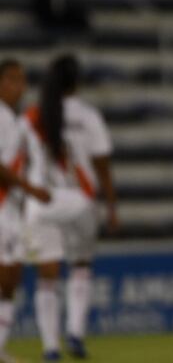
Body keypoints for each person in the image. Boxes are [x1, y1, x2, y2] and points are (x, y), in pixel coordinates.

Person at [20, 55, 117, 361]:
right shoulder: (88, 116)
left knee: (47, 278)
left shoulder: (31, 118)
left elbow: (17, 163)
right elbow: (102, 165)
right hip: (79, 202)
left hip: (42, 203)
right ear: (76, 82)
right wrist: (112, 205)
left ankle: (50, 347)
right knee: (80, 267)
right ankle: (75, 332)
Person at [0, 59, 51, 362]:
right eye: (12, 79)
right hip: (2, 206)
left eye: (22, 80)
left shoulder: (12, 119)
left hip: (10, 209)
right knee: (6, 280)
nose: (20, 86)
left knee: (10, 281)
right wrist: (31, 189)